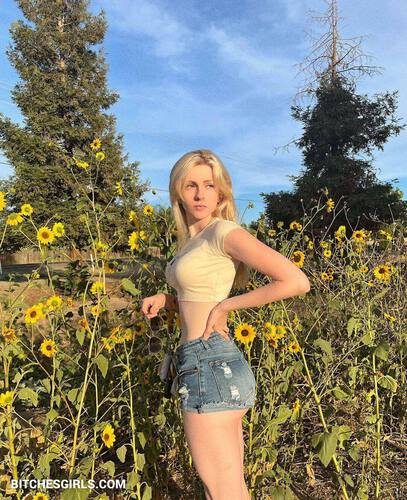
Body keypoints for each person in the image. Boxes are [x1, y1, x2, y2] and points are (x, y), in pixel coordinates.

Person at [141, 149, 311, 499]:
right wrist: (168, 300)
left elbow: (296, 281)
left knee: (223, 491)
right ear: (178, 191)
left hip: (209, 363)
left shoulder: (223, 231)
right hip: (207, 363)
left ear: (221, 193)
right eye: (191, 185)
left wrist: (227, 305)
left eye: (209, 185)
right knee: (229, 489)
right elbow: (199, 297)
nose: (200, 194)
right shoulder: (194, 240)